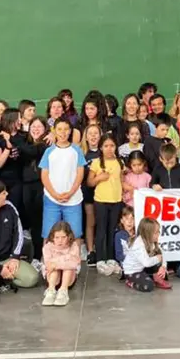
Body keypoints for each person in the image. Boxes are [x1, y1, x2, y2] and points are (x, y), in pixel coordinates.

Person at [40, 119, 86, 254]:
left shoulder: (76, 150)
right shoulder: (49, 151)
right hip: (51, 200)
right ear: (54, 130)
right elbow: (44, 175)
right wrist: (54, 194)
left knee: (75, 232)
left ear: (70, 131)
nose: (63, 132)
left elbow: (80, 173)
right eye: (59, 129)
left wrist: (71, 192)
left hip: (73, 200)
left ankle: (74, 264)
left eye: (66, 129)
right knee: (48, 232)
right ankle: (48, 263)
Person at [89, 134, 125, 275]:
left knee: (112, 230)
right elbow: (89, 182)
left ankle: (110, 258)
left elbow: (121, 180)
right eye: (106, 146)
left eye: (112, 146)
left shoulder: (120, 162)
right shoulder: (97, 162)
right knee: (101, 230)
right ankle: (100, 259)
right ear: (101, 148)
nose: (109, 149)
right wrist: (99, 177)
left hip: (116, 201)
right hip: (101, 201)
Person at [23, 116, 49, 271]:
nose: (36, 129)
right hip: (26, 185)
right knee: (31, 222)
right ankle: (31, 254)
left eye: (39, 126)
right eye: (33, 126)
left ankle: (38, 256)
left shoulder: (46, 144)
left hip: (41, 185)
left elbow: (34, 151)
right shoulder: (24, 142)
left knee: (39, 222)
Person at [122, 217, 171, 291]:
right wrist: (158, 258)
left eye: (158, 231)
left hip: (142, 268)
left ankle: (153, 276)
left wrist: (163, 267)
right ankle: (130, 282)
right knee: (148, 286)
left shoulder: (152, 240)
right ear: (148, 234)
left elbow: (162, 254)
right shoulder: (138, 244)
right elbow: (146, 263)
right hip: (132, 271)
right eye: (156, 232)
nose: (159, 234)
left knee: (164, 274)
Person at [41, 221, 81, 306]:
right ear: (52, 237)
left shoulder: (73, 246)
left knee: (68, 267)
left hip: (68, 278)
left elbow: (74, 263)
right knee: (55, 269)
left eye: (63, 237)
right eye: (57, 237)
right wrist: (60, 262)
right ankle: (51, 290)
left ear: (69, 236)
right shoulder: (47, 247)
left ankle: (63, 292)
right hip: (52, 278)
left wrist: (56, 264)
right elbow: (48, 264)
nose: (60, 240)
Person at [81, 124, 102, 263]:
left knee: (102, 221)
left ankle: (102, 249)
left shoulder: (105, 152)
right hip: (88, 192)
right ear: (86, 137)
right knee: (91, 221)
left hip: (104, 193)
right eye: (90, 133)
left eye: (96, 133)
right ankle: (90, 250)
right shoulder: (83, 154)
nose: (93, 136)